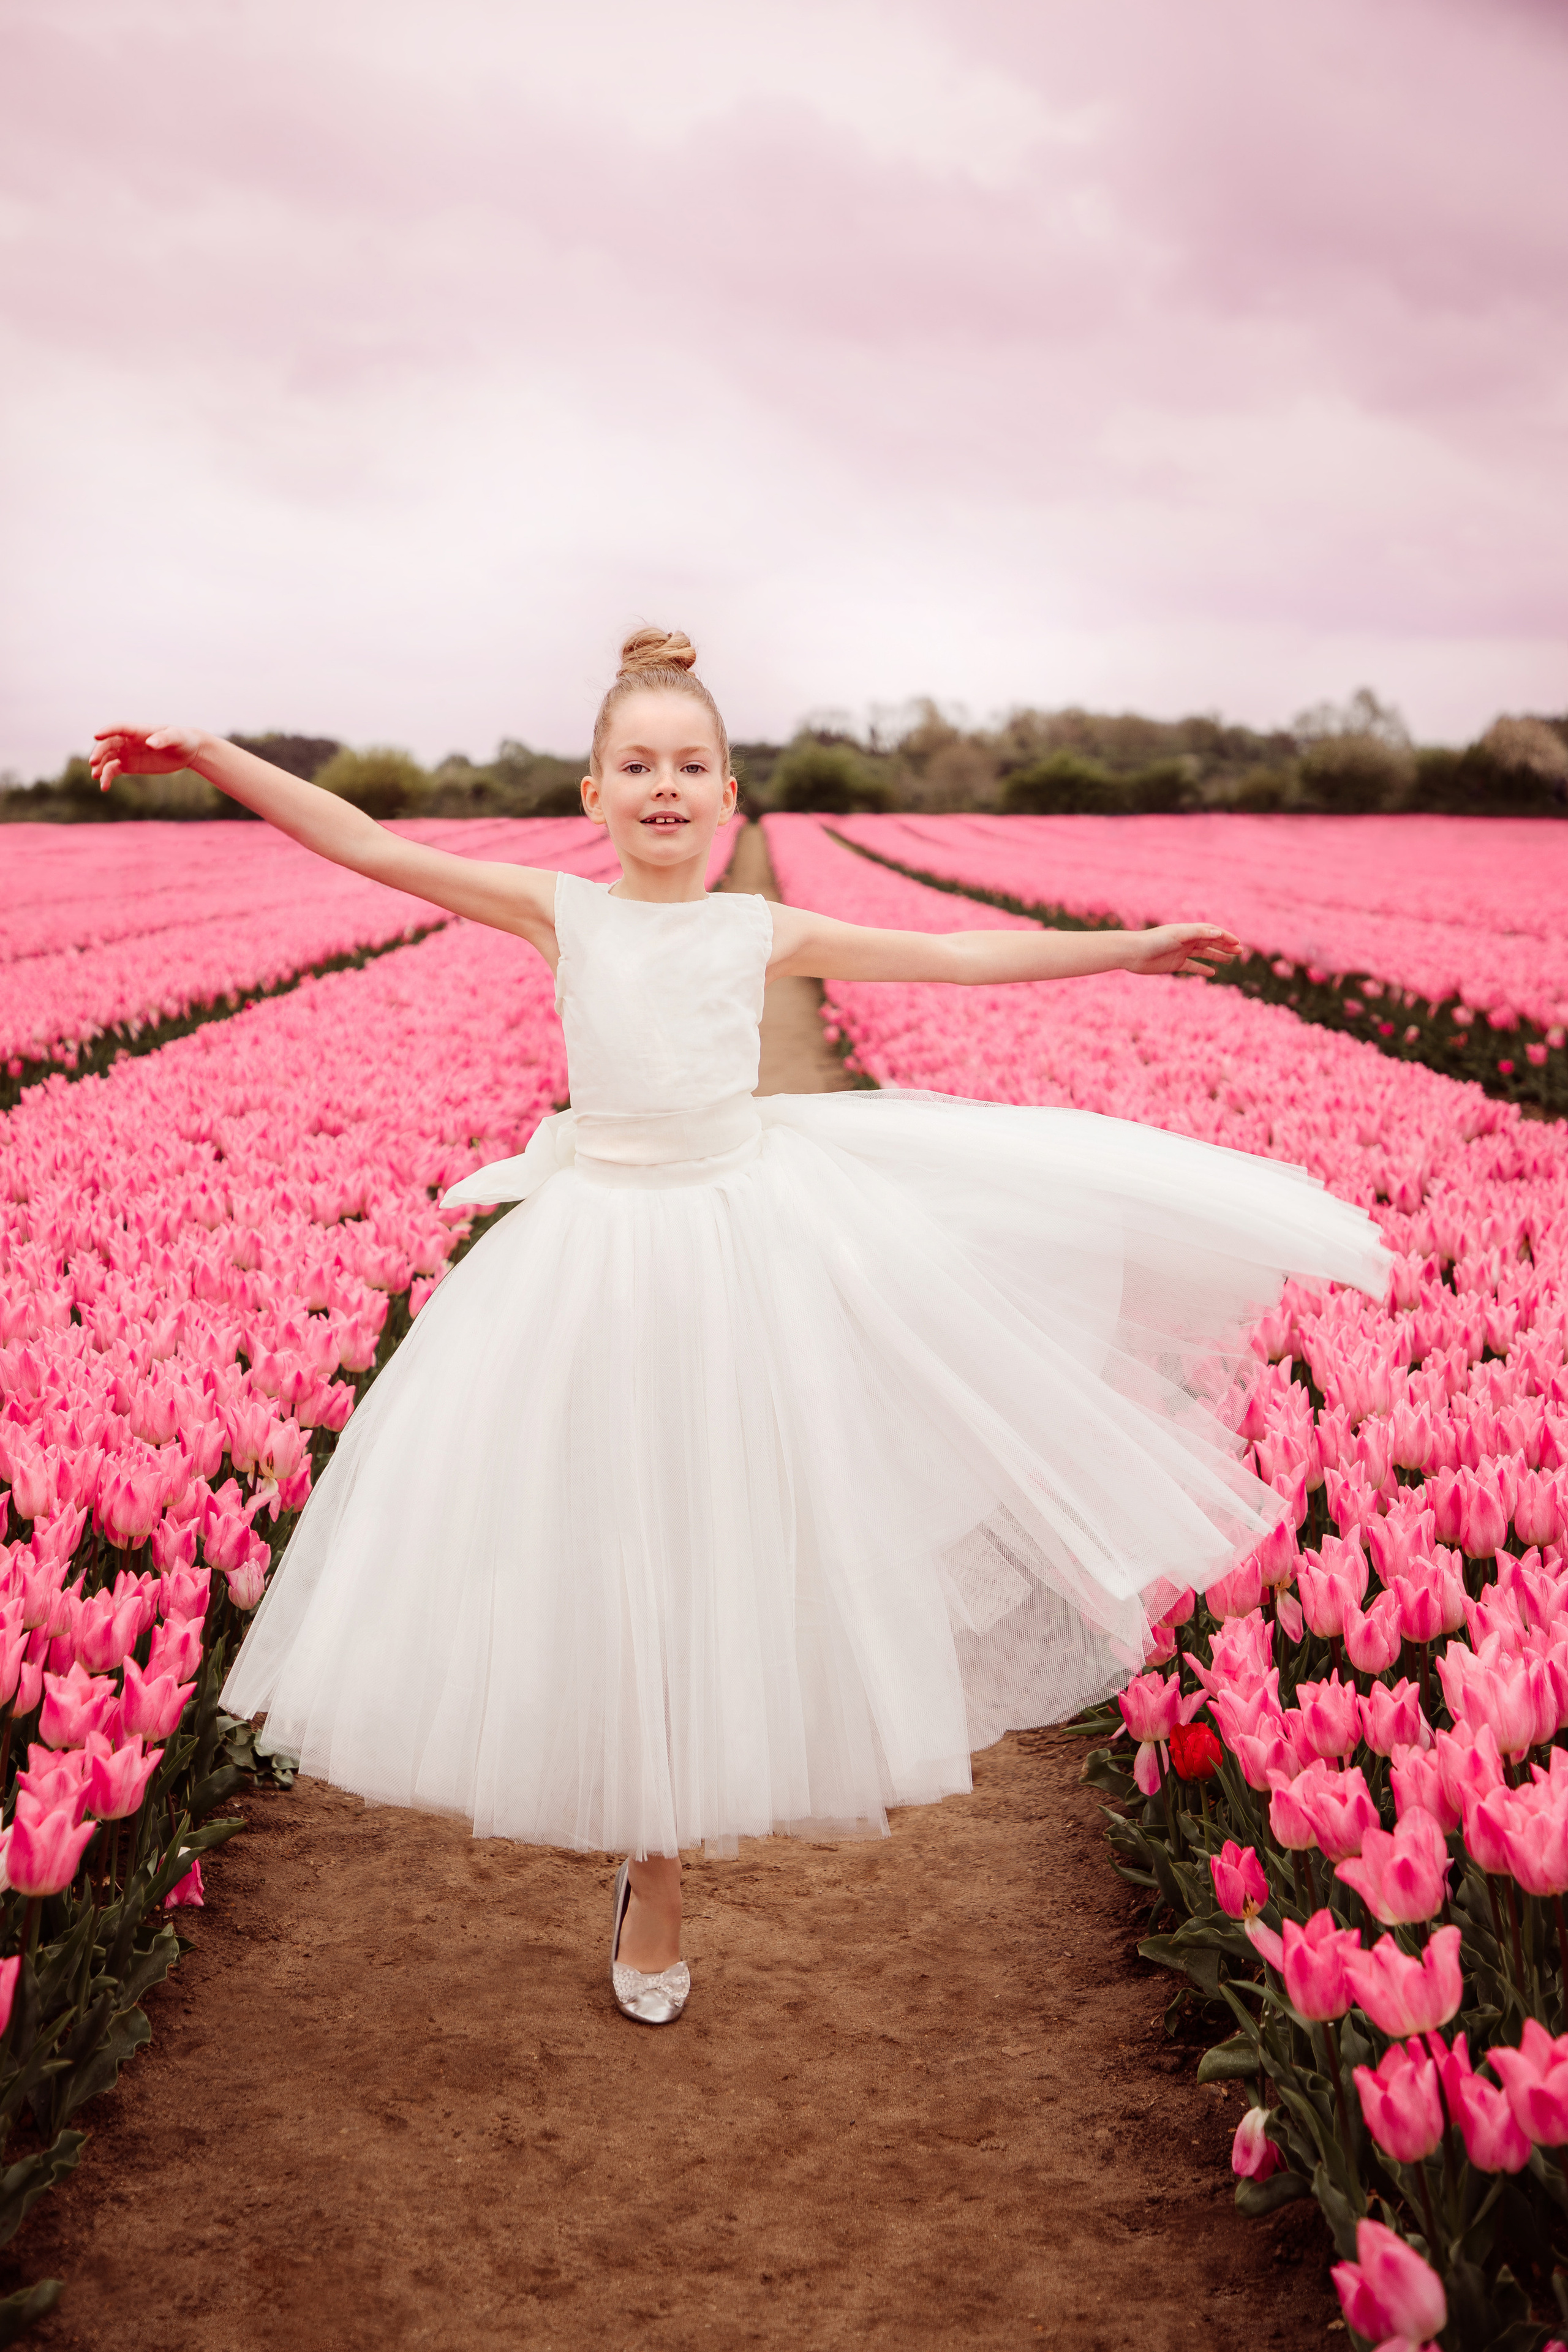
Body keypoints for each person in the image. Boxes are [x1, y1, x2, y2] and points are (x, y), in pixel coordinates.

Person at [92, 628, 1391, 2028]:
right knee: (613, 1545)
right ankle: (648, 1854)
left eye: (688, 765)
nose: (663, 786)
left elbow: (955, 955)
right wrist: (212, 755)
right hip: (590, 1261)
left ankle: (659, 1854)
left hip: (740, 1247)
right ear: (591, 795)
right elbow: (367, 844)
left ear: (728, 794)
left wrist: (1128, 948)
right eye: (635, 766)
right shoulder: (561, 914)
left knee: (718, 1539)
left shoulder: (756, 931)